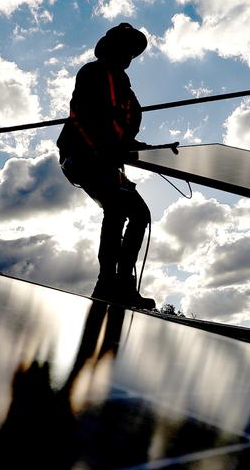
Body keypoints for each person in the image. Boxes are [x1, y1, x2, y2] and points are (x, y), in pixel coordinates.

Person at [57, 23, 172, 310]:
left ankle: (121, 284)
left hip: (107, 161)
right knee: (119, 209)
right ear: (112, 49)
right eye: (126, 50)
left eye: (133, 53)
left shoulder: (123, 85)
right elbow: (80, 117)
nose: (129, 57)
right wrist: (102, 150)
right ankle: (107, 284)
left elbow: (124, 129)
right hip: (81, 157)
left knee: (139, 214)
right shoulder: (91, 73)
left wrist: (139, 148)